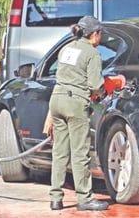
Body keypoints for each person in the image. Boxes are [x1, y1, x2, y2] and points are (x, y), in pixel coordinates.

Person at [47, 16, 108, 211]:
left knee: (59, 152)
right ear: (95, 34)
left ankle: (55, 198)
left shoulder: (67, 48)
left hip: (56, 101)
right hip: (75, 103)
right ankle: (85, 198)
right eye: (100, 33)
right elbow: (96, 85)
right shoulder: (92, 53)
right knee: (80, 152)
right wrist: (105, 92)